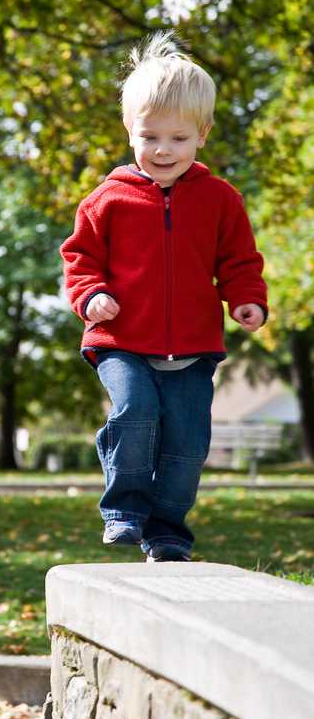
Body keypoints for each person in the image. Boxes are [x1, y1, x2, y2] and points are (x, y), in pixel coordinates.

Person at [59, 31, 268, 562]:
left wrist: (247, 300)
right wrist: (91, 298)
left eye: (178, 138)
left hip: (194, 346)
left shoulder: (221, 199)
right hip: (121, 339)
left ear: (202, 134)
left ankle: (168, 531)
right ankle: (124, 510)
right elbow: (79, 260)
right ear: (129, 130)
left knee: (187, 445)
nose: (162, 150)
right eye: (149, 136)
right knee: (134, 410)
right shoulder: (107, 199)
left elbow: (239, 261)